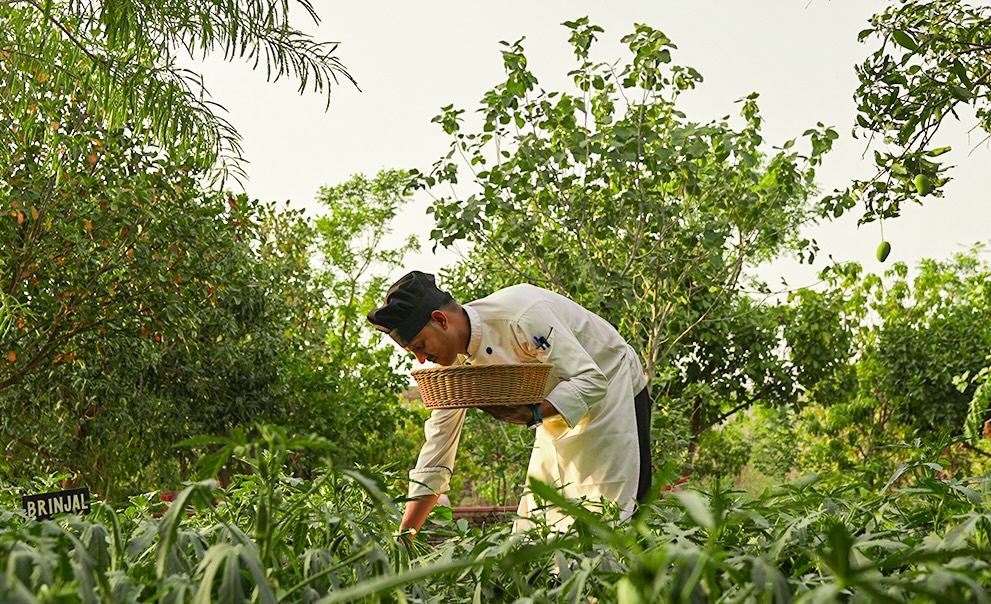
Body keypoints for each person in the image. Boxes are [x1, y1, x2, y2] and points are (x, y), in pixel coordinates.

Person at [367, 270, 652, 536]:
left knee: (614, 519)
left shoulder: (522, 314)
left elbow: (591, 379)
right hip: (555, 413)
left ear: (441, 320)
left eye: (420, 346)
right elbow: (438, 448)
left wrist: (534, 413)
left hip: (614, 392)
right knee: (539, 524)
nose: (419, 359)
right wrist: (406, 534)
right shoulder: (452, 367)